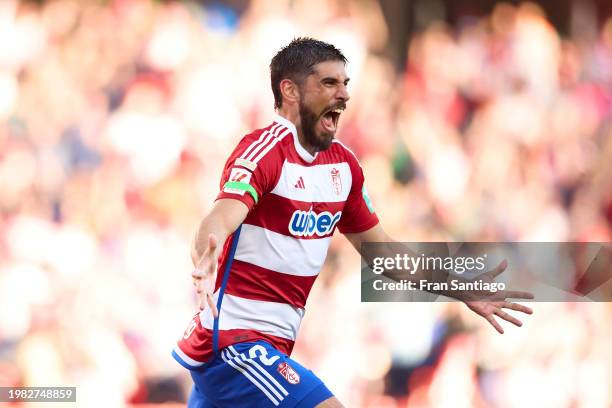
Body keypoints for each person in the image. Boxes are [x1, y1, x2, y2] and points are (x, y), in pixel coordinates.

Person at [172, 38, 533, 408]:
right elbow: (221, 215)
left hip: (269, 345)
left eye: (345, 84)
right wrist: (206, 250)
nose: (343, 94)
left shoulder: (343, 168)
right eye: (329, 84)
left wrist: (461, 288)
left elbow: (385, 254)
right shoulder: (265, 151)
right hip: (235, 344)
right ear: (290, 90)